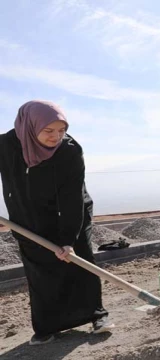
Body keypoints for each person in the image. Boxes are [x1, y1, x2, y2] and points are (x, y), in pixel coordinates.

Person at [0, 100, 114, 345]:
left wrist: (67, 240)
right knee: (39, 270)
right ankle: (46, 327)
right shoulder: (6, 145)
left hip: (71, 212)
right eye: (49, 131)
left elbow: (72, 199)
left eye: (62, 130)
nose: (57, 137)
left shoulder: (69, 151)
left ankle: (97, 316)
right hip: (27, 217)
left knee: (80, 260)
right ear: (30, 127)